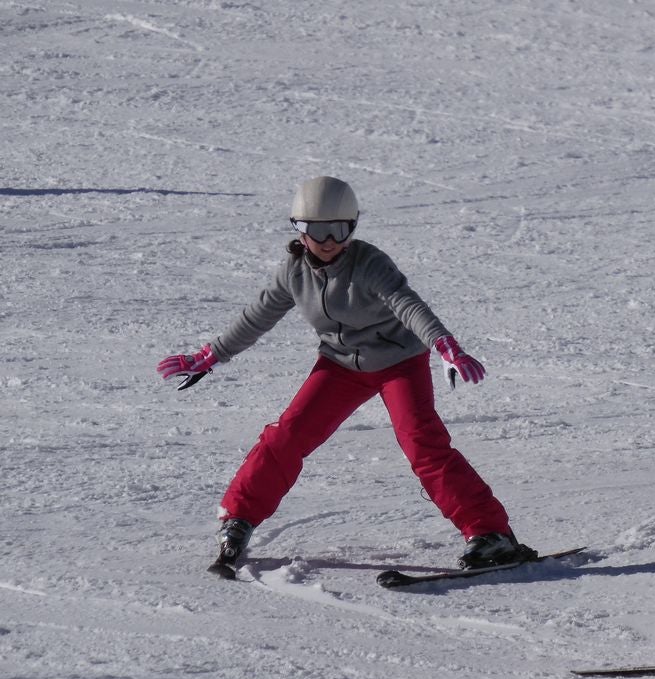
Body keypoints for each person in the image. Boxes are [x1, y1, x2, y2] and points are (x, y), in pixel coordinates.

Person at [157, 175, 535, 576]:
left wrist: (444, 344)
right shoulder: (294, 273)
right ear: (299, 229)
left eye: (340, 229)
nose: (329, 240)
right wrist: (210, 355)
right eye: (318, 229)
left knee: (422, 444)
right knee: (287, 435)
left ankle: (490, 533)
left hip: (398, 362)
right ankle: (239, 519)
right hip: (340, 364)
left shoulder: (369, 263)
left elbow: (407, 304)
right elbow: (258, 315)